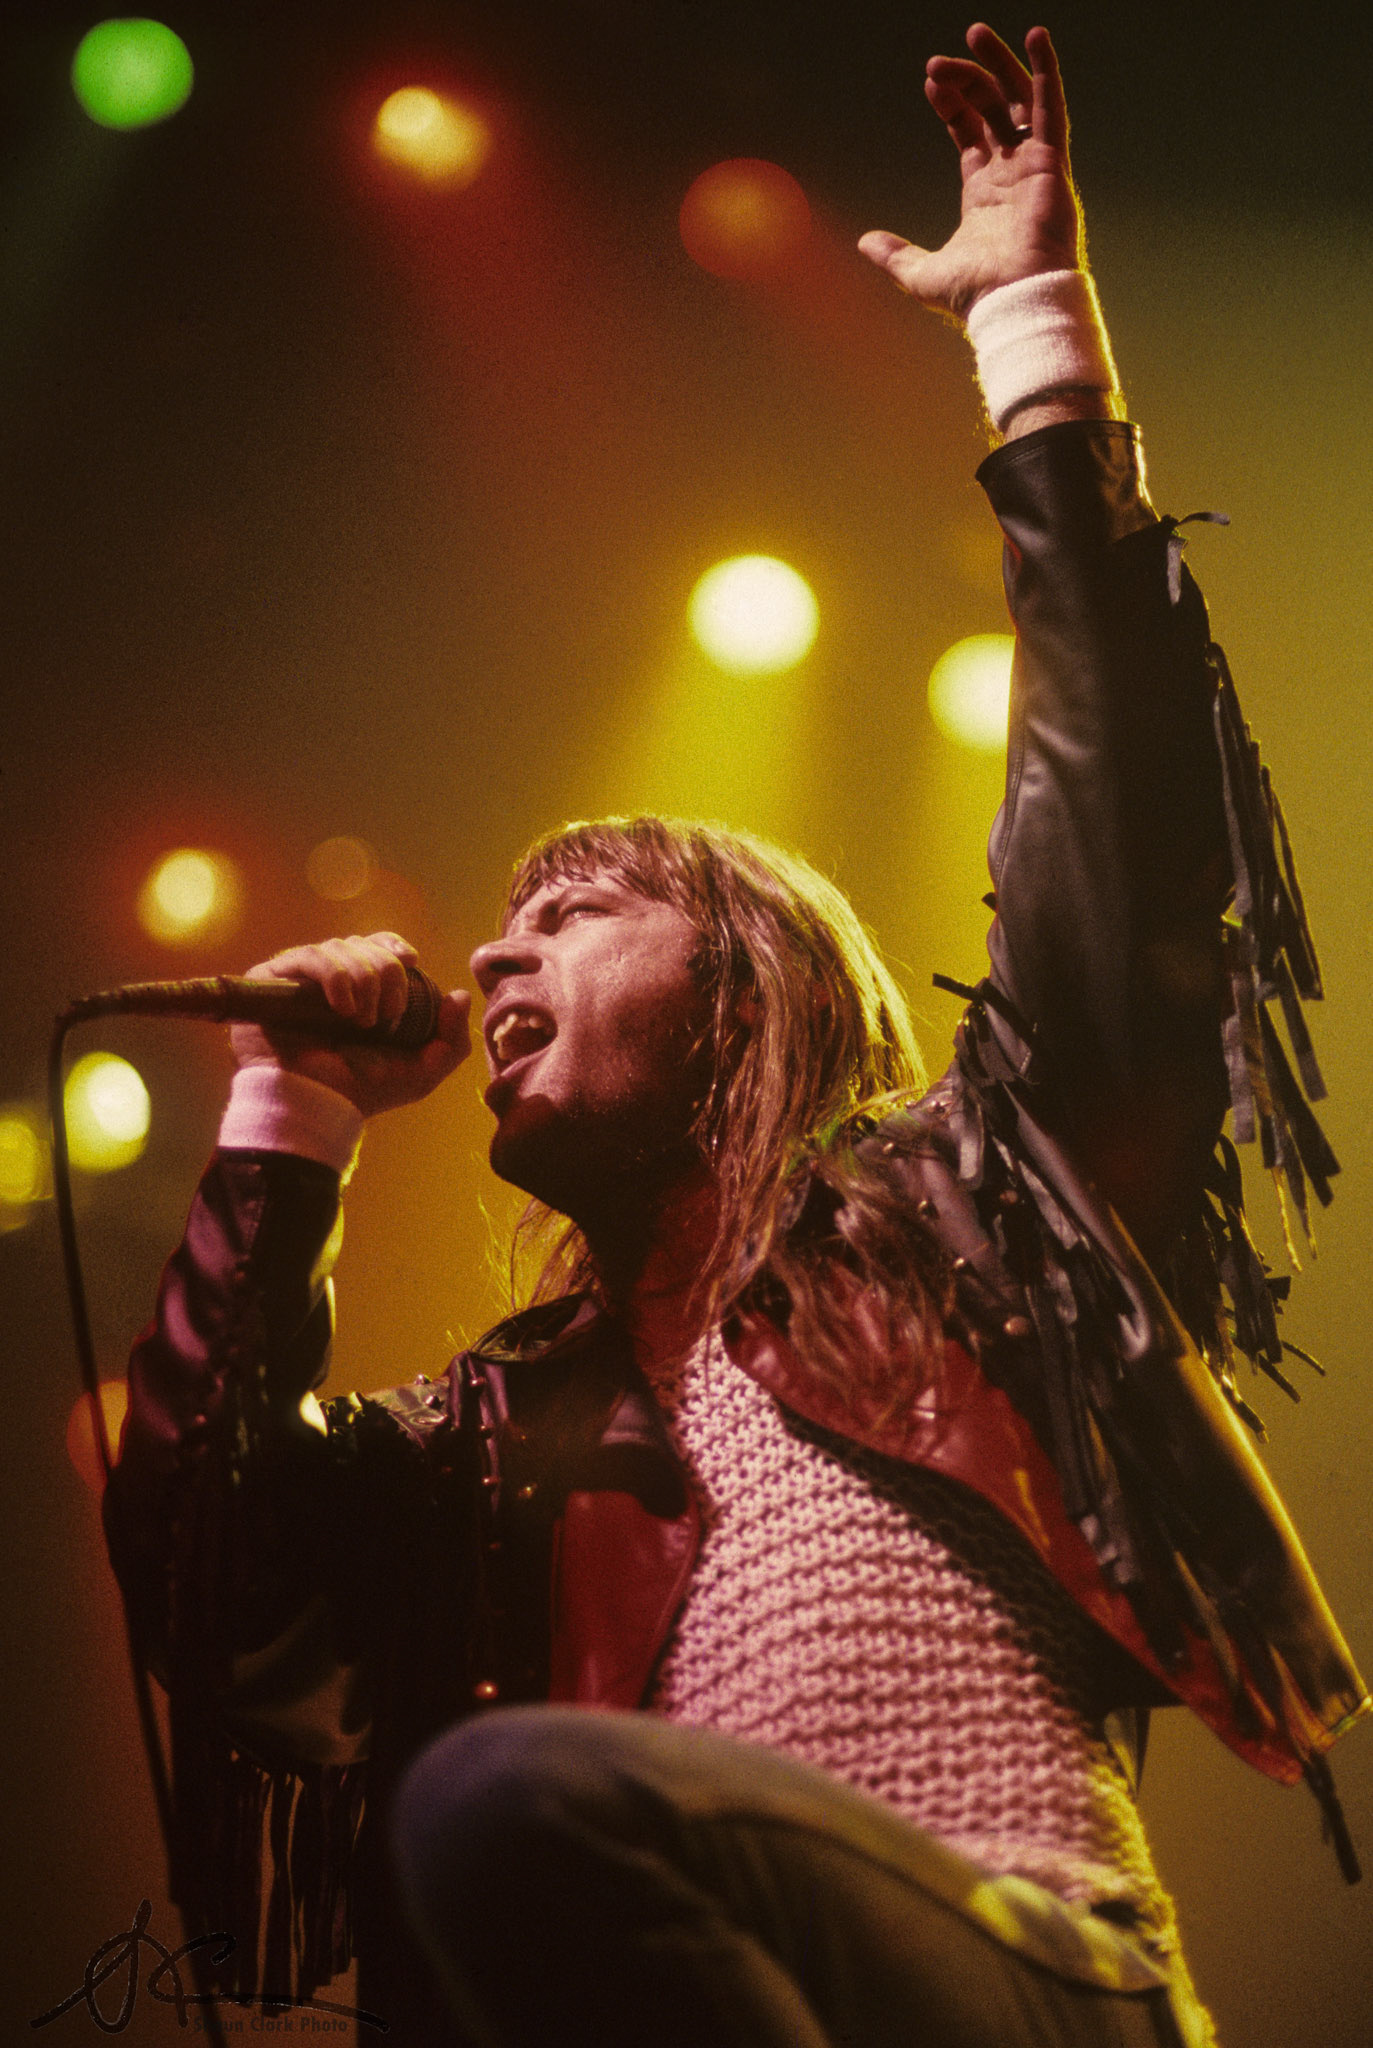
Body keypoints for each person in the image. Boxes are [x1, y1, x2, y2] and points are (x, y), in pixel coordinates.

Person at [104, 23, 1366, 2048]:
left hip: (1023, 1975)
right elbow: (208, 1584)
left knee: (514, 1788)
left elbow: (1115, 829)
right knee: (499, 1806)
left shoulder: (973, 1203)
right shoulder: (503, 1430)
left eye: (572, 919)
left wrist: (1034, 334)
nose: (497, 971)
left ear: (748, 981)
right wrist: (289, 1109)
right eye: (493, 936)